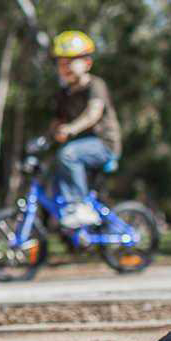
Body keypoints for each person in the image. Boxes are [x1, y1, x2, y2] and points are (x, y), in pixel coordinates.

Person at [47, 30, 122, 229]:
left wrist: (70, 129)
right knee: (53, 166)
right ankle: (69, 215)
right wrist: (48, 136)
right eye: (61, 63)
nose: (65, 67)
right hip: (80, 147)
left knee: (68, 154)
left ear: (87, 63)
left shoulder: (96, 85)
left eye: (70, 62)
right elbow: (57, 121)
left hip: (104, 145)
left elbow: (93, 114)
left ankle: (80, 206)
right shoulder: (63, 94)